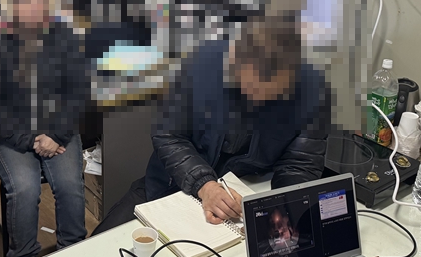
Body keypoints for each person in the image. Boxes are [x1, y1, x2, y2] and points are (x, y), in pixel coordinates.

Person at [94, 12, 331, 234]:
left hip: (249, 191)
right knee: (102, 243)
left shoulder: (313, 93)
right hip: (174, 183)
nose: (257, 101)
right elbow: (168, 135)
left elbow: (300, 164)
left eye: (272, 96)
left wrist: (285, 206)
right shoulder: (198, 66)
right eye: (250, 89)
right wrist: (205, 185)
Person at [0, 0, 88, 257]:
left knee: (69, 186)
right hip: (11, 135)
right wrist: (32, 140)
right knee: (25, 189)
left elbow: (78, 93)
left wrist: (55, 135)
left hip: (58, 130)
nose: (33, 6)